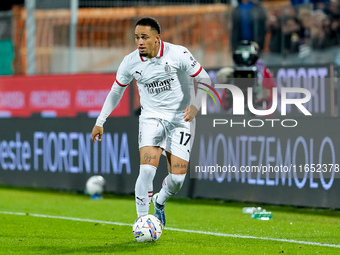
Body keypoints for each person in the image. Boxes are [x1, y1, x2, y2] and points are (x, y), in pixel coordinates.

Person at [91, 17, 211, 226]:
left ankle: (160, 199)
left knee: (177, 180)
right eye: (137, 37)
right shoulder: (130, 62)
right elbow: (116, 91)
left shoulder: (178, 53)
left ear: (157, 38)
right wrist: (100, 121)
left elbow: (205, 79)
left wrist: (196, 105)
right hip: (151, 119)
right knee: (146, 169)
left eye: (144, 37)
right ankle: (142, 221)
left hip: (180, 119)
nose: (139, 42)